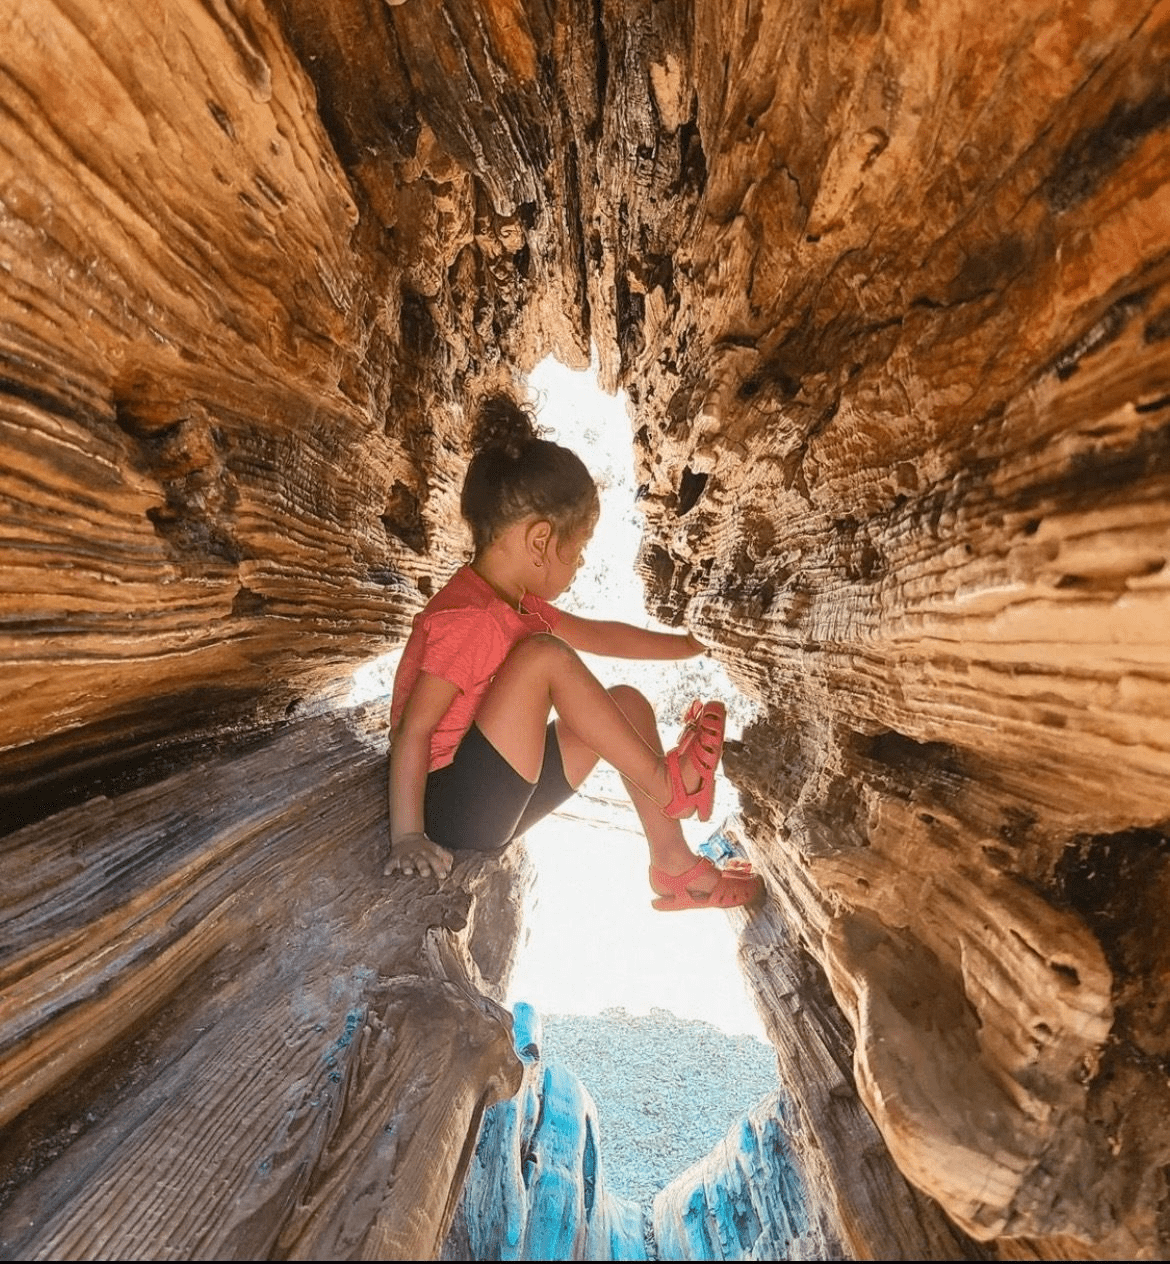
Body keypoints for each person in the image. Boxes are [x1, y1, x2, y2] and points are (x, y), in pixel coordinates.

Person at [384, 393, 764, 912]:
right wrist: (408, 836)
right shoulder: (468, 619)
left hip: (496, 798)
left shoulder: (520, 604)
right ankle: (666, 783)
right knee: (544, 657)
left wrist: (694, 644)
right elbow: (414, 729)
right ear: (541, 541)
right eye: (579, 549)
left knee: (626, 705)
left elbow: (605, 637)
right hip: (451, 812)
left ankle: (675, 866)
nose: (582, 564)